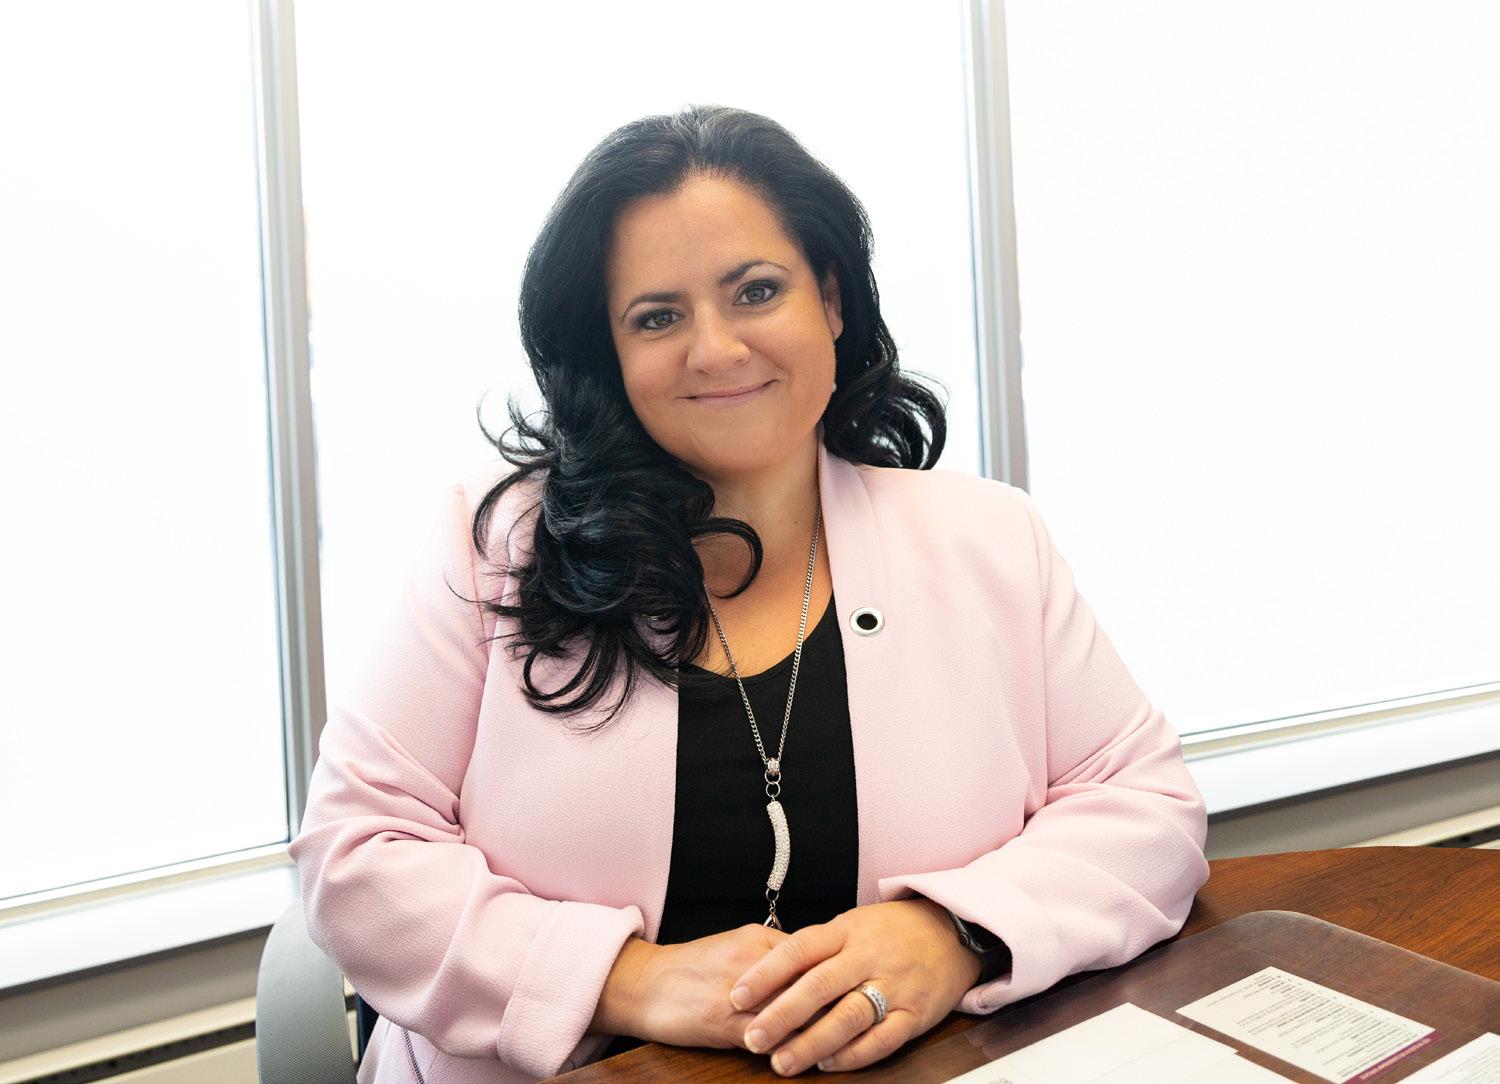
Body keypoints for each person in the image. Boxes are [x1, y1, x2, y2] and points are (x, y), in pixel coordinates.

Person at [289, 104, 1209, 1084]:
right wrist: (625, 981)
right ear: (609, 352)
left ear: (832, 301)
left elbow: (1143, 805)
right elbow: (357, 851)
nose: (717, 349)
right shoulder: (496, 545)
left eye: (756, 291)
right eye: (657, 316)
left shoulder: (990, 539)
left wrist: (955, 935)